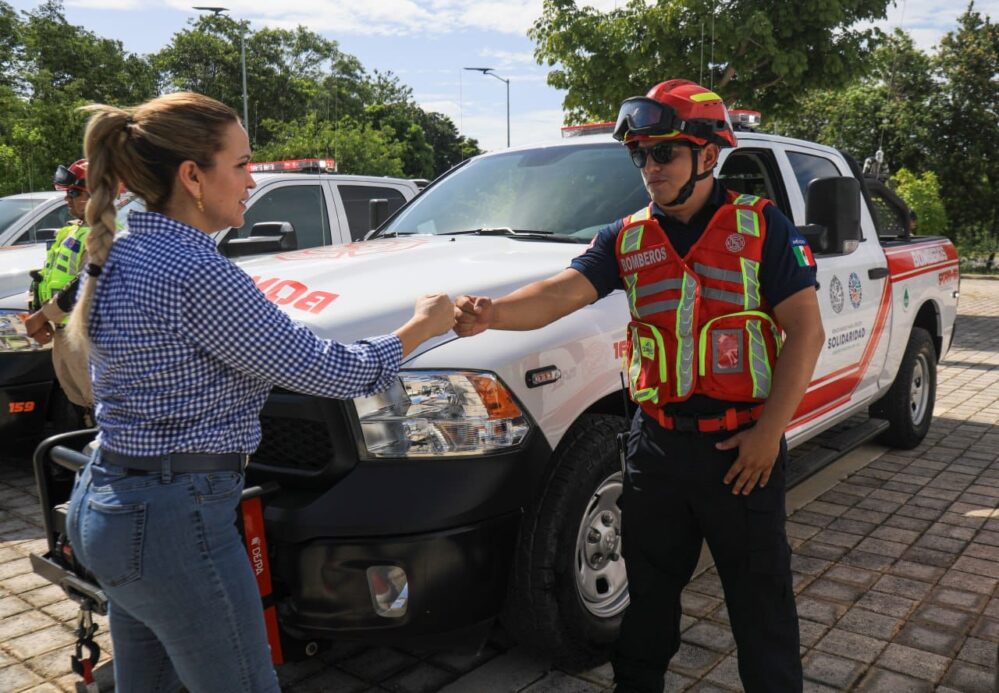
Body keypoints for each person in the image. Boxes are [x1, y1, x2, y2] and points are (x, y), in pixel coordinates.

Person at [62, 91, 455, 693]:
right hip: (174, 522)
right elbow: (330, 372)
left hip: (110, 503)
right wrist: (421, 327)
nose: (253, 178)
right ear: (193, 175)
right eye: (243, 164)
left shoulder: (124, 248)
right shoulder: (195, 270)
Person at [454, 80, 825, 693]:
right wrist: (491, 313)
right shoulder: (626, 237)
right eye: (640, 155)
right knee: (647, 605)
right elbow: (558, 294)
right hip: (655, 451)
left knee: (762, 611)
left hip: (742, 454)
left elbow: (805, 333)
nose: (649, 168)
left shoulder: (762, 228)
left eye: (663, 153)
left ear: (708, 156)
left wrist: (769, 433)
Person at [24, 160, 94, 418]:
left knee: (96, 413)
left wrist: (42, 317)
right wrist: (40, 316)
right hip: (63, 335)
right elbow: (47, 278)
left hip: (87, 338)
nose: (67, 199)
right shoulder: (70, 232)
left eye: (74, 193)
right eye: (67, 193)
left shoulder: (104, 235)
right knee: (78, 410)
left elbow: (84, 287)